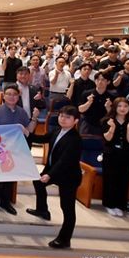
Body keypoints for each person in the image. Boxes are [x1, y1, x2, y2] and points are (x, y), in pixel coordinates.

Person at [26, 106, 82, 249]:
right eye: (61, 115)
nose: (63, 119)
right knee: (38, 182)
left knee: (67, 208)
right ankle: (42, 210)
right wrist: (26, 133)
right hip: (55, 170)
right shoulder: (57, 130)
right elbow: (42, 138)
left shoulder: (75, 139)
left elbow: (64, 161)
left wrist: (49, 175)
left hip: (69, 176)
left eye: (68, 117)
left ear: (75, 121)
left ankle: (65, 239)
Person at [0, 84, 39, 215]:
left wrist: (34, 118)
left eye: (14, 94)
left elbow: (29, 130)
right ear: (4, 96)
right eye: (9, 94)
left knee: (10, 177)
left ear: (18, 96)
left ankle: (6, 202)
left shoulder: (22, 112)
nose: (11, 97)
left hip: (15, 149)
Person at [101, 98, 129, 217]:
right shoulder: (107, 120)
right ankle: (109, 204)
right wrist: (112, 127)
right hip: (111, 154)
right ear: (115, 107)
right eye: (119, 106)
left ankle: (120, 205)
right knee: (110, 179)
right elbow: (107, 138)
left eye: (125, 106)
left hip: (127, 154)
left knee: (124, 180)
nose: (122, 109)